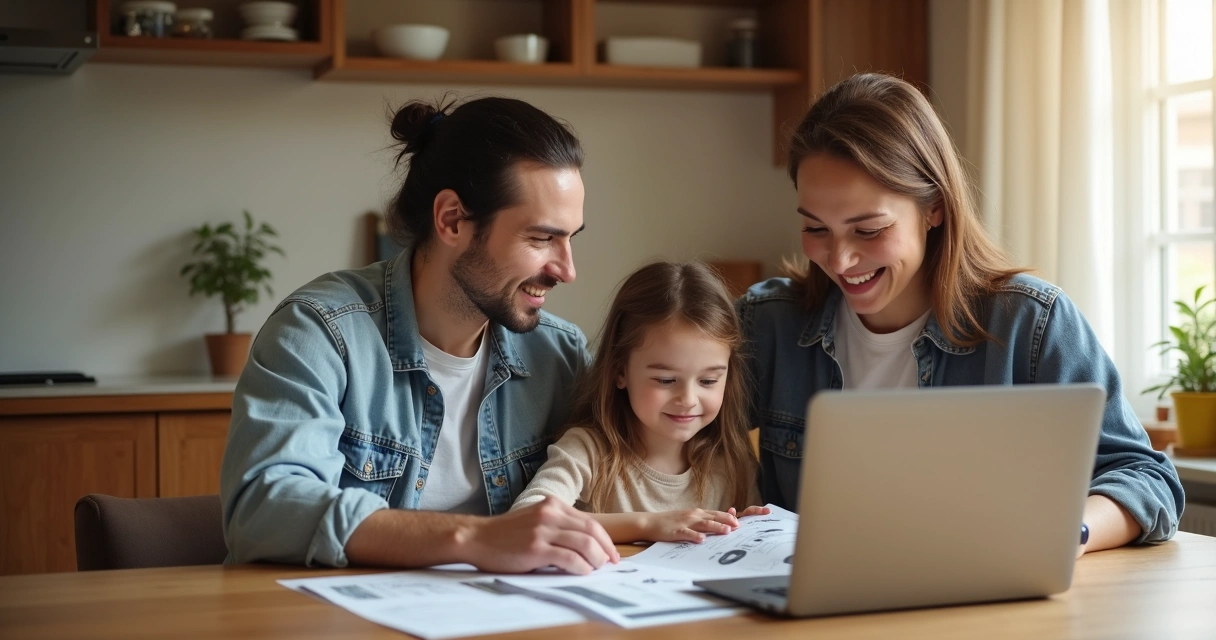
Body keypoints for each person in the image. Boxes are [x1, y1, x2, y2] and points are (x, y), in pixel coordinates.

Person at [738, 73, 1184, 556]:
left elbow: (1147, 479)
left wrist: (1065, 532)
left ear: (934, 207)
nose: (840, 260)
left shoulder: (1029, 324)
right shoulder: (769, 324)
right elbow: (660, 440)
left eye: (868, 230)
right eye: (816, 228)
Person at [220, 96, 619, 574]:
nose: (567, 270)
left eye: (571, 237)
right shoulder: (320, 332)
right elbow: (263, 508)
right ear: (452, 219)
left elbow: (639, 462)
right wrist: (475, 538)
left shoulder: (559, 353)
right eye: (540, 238)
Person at [513, 261, 770, 543]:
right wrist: (648, 524)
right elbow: (527, 517)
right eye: (665, 380)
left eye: (708, 381)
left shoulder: (732, 461)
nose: (687, 399)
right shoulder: (589, 451)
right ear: (620, 371)